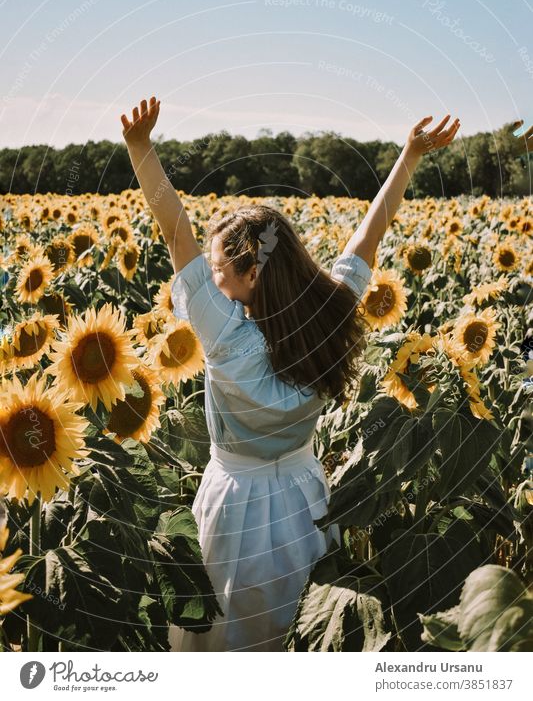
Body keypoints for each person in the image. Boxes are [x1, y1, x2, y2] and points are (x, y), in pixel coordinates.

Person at [121, 98, 461, 651]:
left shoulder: (226, 335)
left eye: (218, 270)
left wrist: (141, 149)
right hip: (306, 496)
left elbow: (173, 230)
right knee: (301, 632)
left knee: (228, 637)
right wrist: (408, 156)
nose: (211, 280)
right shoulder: (327, 315)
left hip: (236, 501)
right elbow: (367, 240)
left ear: (251, 273)